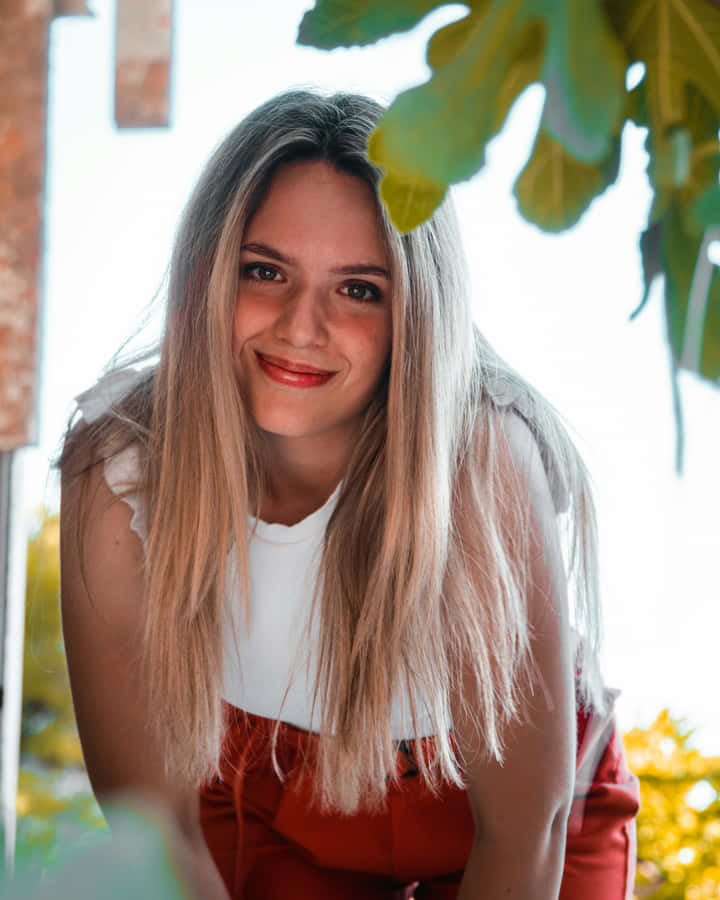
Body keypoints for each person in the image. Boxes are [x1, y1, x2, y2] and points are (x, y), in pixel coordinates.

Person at [58, 90, 640, 900]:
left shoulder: (481, 463)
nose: (302, 325)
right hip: (269, 783)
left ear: (414, 313)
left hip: (519, 813)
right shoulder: (119, 468)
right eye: (265, 271)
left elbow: (520, 833)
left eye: (359, 288)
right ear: (208, 273)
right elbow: (151, 823)